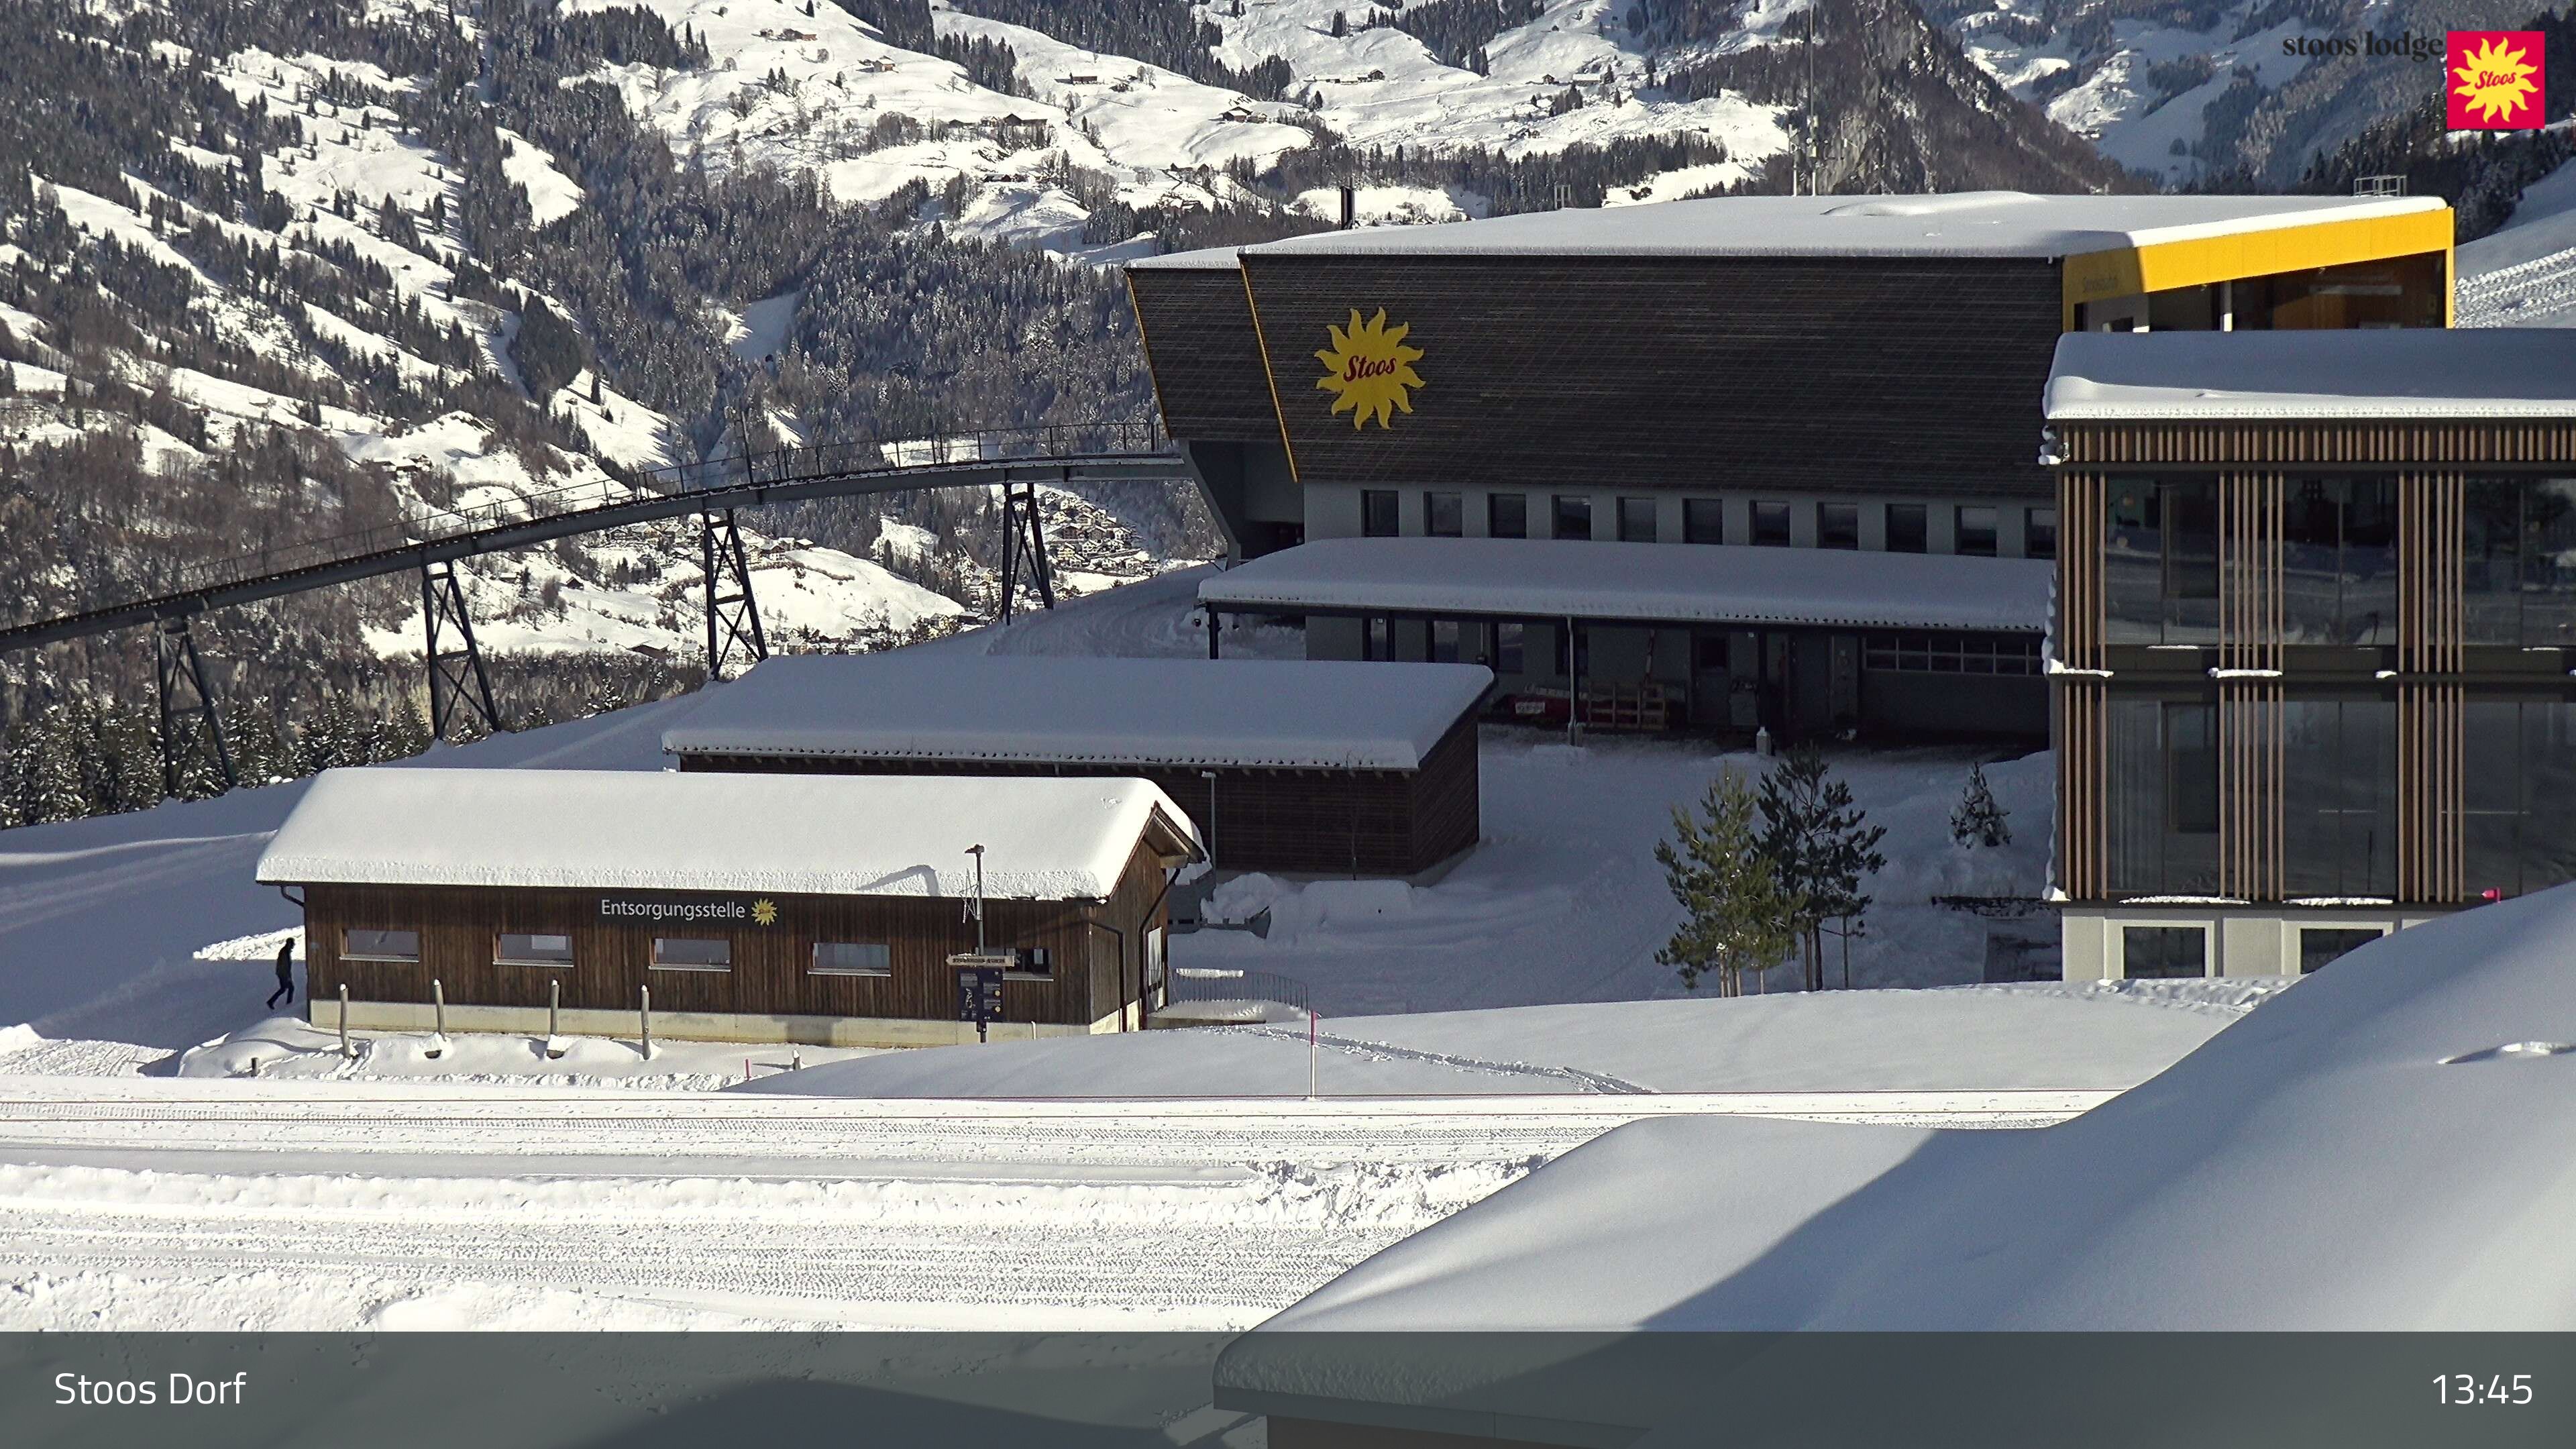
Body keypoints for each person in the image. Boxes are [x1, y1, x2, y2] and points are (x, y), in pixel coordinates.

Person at [266, 939, 296, 1010]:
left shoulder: (286, 951)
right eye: (293, 944)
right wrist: (287, 976)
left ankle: (272, 1002)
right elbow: (284, 966)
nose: (293, 945)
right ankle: (289, 1005)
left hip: (283, 974)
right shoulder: (285, 952)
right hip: (283, 974)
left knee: (284, 988)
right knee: (289, 988)